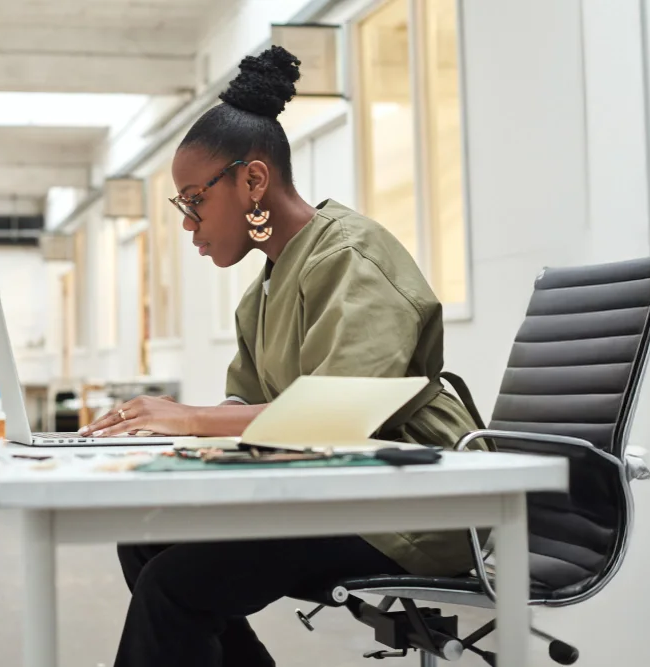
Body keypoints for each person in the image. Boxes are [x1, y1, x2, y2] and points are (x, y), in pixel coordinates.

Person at [80, 45, 484, 667]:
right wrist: (165, 431)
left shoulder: (351, 257)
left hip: (412, 508)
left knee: (174, 587)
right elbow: (252, 407)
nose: (189, 223)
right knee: (146, 544)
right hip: (344, 495)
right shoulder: (264, 288)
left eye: (194, 200)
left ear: (253, 180)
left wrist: (187, 417)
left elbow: (334, 420)